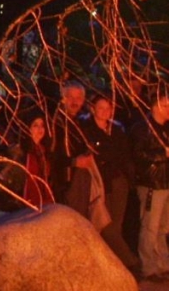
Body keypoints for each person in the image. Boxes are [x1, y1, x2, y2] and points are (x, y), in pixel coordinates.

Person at [82, 96, 139, 271]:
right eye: (101, 108)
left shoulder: (117, 130)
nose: (105, 111)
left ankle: (117, 265)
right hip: (101, 183)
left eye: (108, 108)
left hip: (119, 181)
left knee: (116, 225)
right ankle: (130, 262)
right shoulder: (87, 130)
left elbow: (124, 156)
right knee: (106, 226)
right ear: (93, 109)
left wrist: (129, 178)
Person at [130, 92, 169, 279]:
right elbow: (137, 155)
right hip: (152, 183)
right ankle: (149, 267)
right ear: (154, 106)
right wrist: (163, 154)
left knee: (163, 227)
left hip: (166, 182)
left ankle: (163, 264)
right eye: (165, 105)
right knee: (150, 227)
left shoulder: (166, 128)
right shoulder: (142, 128)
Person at [50, 80, 95, 218]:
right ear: (63, 99)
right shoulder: (55, 122)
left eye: (79, 98)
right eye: (70, 97)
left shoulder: (82, 123)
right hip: (62, 185)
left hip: (79, 182)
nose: (75, 102)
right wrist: (73, 162)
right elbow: (51, 155)